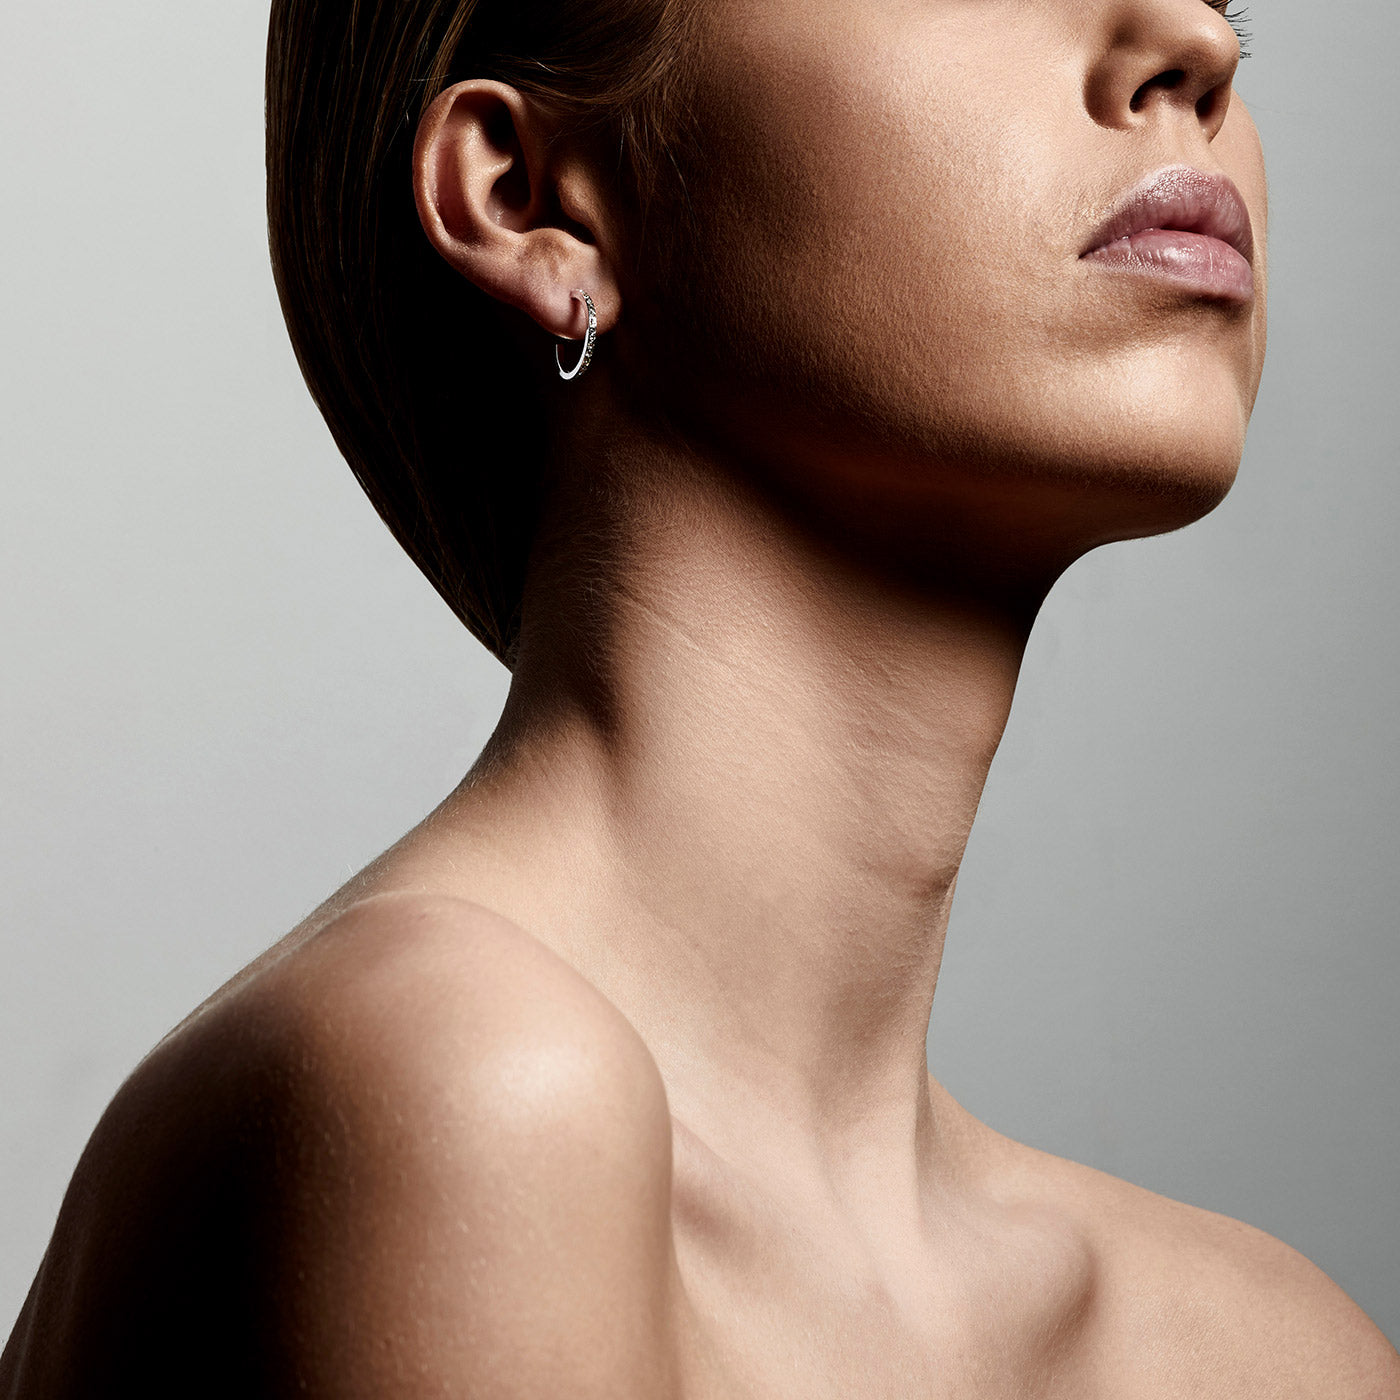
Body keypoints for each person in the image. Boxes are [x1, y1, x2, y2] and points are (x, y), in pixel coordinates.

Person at [3, 0, 1397, 1393]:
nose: (1192, 47)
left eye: (1227, 2)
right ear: (530, 197)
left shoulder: (1267, 1350)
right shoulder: (457, 1086)